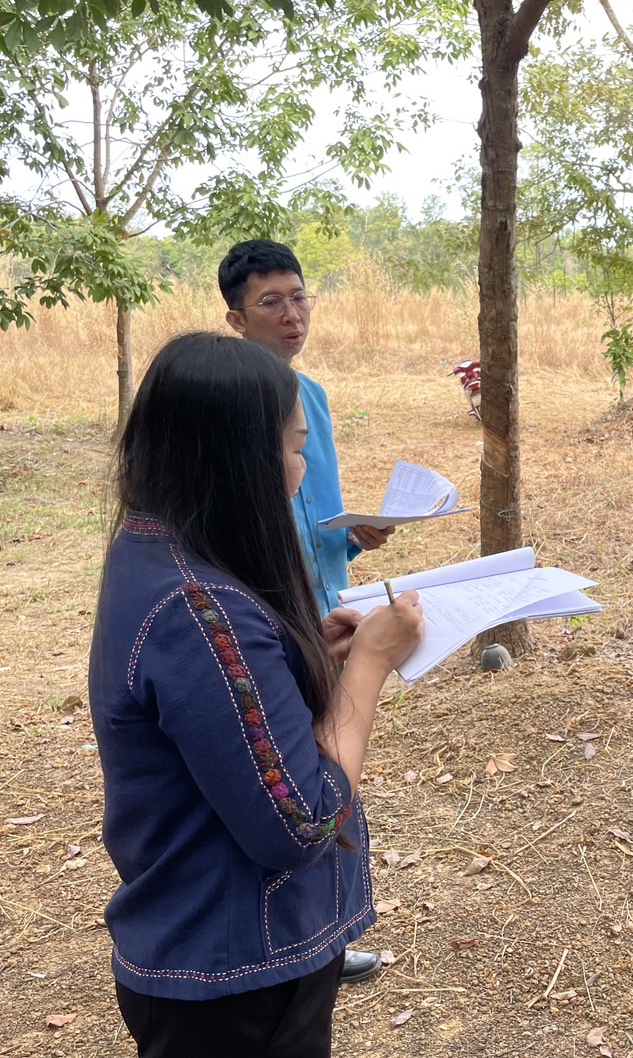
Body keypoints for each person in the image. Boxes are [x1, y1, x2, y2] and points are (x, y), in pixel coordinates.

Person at [89, 332, 424, 1057]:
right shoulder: (199, 611)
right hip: (233, 980)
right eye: (294, 447)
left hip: (216, 957)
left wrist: (307, 664)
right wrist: (367, 666)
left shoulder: (157, 552)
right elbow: (302, 822)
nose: (302, 471)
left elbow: (228, 720)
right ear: (237, 458)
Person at [219, 239, 395, 984]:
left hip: (327, 615)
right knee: (291, 788)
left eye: (299, 298)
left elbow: (314, 517)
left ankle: (327, 935)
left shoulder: (312, 398)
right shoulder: (229, 411)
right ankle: (287, 946)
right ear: (235, 318)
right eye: (270, 303)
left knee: (334, 777)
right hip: (268, 626)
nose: (292, 316)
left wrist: (354, 538)